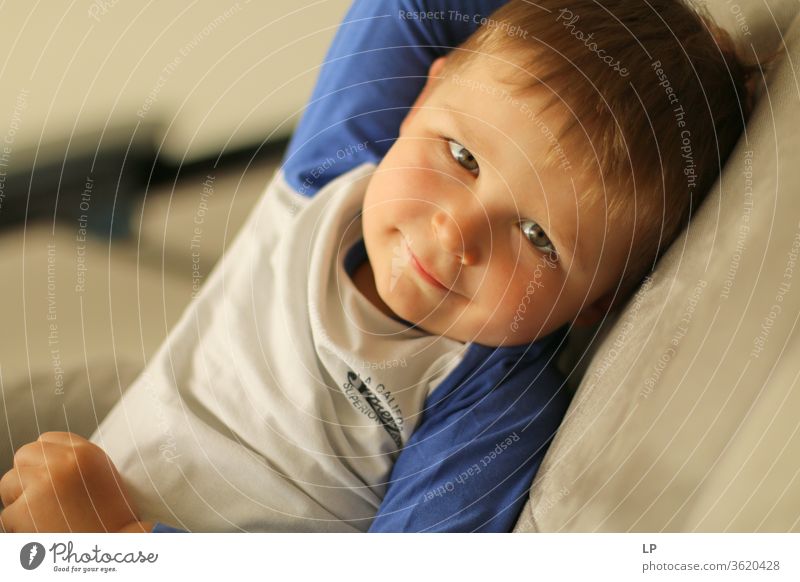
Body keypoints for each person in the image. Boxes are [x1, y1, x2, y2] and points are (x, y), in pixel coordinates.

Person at [0, 0, 756, 533]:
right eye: (460, 156)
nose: (457, 230)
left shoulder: (488, 408)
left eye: (538, 236)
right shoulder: (331, 171)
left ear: (597, 303)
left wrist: (117, 544)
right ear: (424, 92)